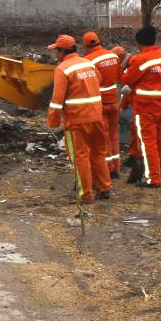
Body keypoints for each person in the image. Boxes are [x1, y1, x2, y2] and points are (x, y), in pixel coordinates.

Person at [45, 34, 110, 203]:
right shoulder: (88, 63)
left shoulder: (62, 69)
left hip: (77, 121)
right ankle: (104, 188)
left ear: (62, 51)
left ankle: (86, 194)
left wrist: (52, 121)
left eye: (55, 51)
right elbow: (99, 79)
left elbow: (57, 100)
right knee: (98, 154)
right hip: (97, 117)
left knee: (80, 157)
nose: (55, 55)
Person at [122, 26, 161, 187]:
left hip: (146, 109)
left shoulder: (140, 60)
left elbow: (127, 81)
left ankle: (154, 179)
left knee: (148, 144)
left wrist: (126, 64)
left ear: (139, 43)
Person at [82, 32, 123, 178]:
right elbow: (120, 77)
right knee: (114, 135)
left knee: (102, 138)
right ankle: (116, 167)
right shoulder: (112, 56)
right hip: (113, 102)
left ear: (85, 45)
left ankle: (108, 168)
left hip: (100, 104)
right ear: (99, 41)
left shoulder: (88, 61)